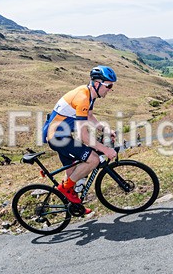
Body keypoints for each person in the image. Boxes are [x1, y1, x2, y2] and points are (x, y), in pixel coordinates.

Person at [42, 65, 118, 205]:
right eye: (108, 86)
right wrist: (105, 149)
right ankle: (64, 189)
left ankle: (73, 206)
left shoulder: (90, 94)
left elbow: (89, 116)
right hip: (58, 138)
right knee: (94, 159)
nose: (110, 89)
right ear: (97, 84)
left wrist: (105, 129)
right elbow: (83, 136)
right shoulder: (83, 97)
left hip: (62, 135)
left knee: (72, 174)